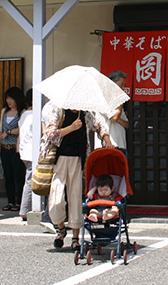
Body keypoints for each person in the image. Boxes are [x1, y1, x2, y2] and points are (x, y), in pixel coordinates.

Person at [42, 101, 111, 250]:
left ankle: (75, 237)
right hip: (58, 160)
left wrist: (107, 140)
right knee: (56, 199)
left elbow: (99, 125)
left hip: (78, 160)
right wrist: (70, 128)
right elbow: (50, 134)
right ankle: (60, 228)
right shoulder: (58, 110)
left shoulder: (85, 113)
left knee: (75, 197)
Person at [0, 86, 27, 212]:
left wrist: (9, 132)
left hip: (16, 148)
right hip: (4, 147)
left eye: (11, 98)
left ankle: (19, 202)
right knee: (8, 175)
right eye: (7, 98)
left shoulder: (22, 112)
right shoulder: (4, 111)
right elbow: (0, 128)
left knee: (18, 175)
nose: (8, 101)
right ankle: (10, 201)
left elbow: (22, 129)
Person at [94, 71, 130, 156]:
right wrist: (121, 102)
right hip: (107, 144)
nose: (123, 88)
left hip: (120, 144)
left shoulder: (118, 103)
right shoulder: (103, 99)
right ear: (113, 82)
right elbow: (114, 117)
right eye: (121, 84)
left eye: (124, 85)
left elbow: (127, 124)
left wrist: (118, 120)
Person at [18, 88, 34, 222]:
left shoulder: (24, 114)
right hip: (31, 152)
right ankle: (24, 210)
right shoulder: (34, 115)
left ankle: (25, 209)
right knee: (30, 181)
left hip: (24, 151)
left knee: (29, 180)